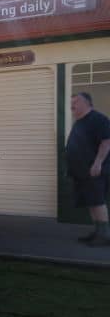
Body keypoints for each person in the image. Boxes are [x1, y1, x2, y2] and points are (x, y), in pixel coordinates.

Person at [66, 92, 110, 246]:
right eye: (71, 102)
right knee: (91, 201)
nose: (72, 105)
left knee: (97, 201)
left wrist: (98, 163)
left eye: (75, 101)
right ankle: (98, 231)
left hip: (94, 170)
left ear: (87, 103)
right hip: (81, 172)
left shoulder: (98, 119)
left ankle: (104, 235)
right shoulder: (79, 122)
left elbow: (106, 142)